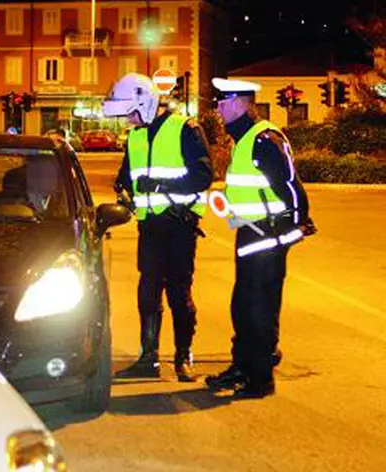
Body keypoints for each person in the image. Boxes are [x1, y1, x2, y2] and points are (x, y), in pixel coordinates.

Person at [205, 78, 316, 398]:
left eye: (223, 103)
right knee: (244, 305)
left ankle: (260, 378)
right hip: (250, 233)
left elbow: (291, 187)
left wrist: (295, 225)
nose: (218, 109)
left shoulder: (264, 139)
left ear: (241, 104)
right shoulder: (245, 139)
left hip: (268, 236)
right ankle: (243, 366)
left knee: (258, 307)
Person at [103, 73, 213, 382]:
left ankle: (183, 358)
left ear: (147, 104)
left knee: (179, 292)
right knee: (148, 292)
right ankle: (148, 358)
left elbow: (203, 176)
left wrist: (160, 183)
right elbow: (129, 174)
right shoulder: (136, 136)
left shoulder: (185, 129)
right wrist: (122, 185)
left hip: (180, 225)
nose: (127, 119)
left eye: (131, 113)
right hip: (149, 226)